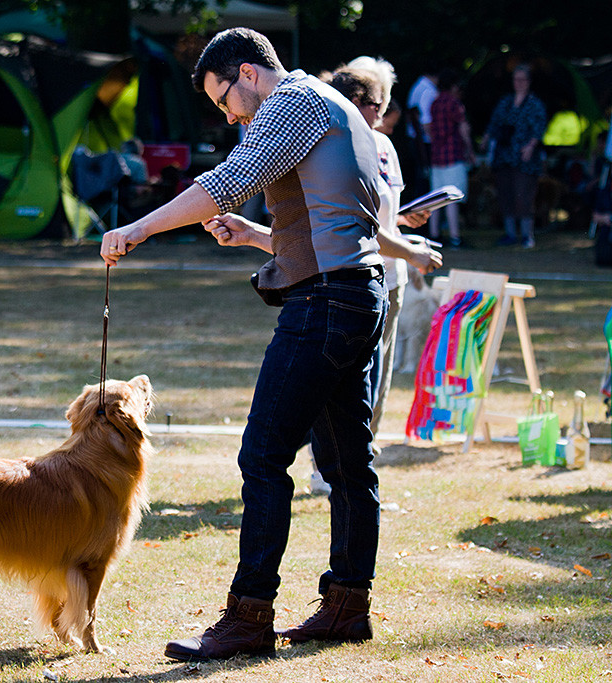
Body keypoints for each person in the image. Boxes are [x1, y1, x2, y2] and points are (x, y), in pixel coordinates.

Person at [100, 27, 392, 661]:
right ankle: (348, 605)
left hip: (325, 304)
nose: (230, 115)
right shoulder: (333, 105)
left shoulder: (293, 100)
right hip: (358, 293)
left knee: (262, 455)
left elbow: (231, 178)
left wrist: (138, 228)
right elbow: (333, 221)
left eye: (224, 99)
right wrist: (259, 235)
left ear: (249, 73)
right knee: (347, 462)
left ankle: (249, 616)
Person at [330, 60, 441, 456]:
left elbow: (384, 213)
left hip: (391, 278)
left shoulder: (384, 146)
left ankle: (361, 460)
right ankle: (330, 467)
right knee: (347, 381)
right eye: (376, 104)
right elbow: (358, 225)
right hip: (353, 275)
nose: (382, 113)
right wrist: (412, 251)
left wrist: (406, 220)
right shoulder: (337, 147)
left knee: (378, 383)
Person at [482, 65, 548, 248]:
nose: (518, 83)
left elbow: (539, 128)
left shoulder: (534, 104)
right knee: (506, 195)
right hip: (504, 157)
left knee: (524, 196)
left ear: (529, 82)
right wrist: (486, 139)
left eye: (522, 80)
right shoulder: (506, 102)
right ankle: (510, 233)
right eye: (516, 79)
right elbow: (494, 123)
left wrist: (530, 146)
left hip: (524, 159)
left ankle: (527, 235)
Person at [427, 68, 474, 248]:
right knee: (453, 198)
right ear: (453, 85)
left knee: (435, 199)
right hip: (453, 156)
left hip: (436, 157)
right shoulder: (454, 103)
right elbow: (463, 128)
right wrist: (470, 150)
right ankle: (455, 237)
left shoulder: (434, 103)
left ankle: (434, 236)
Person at [403, 70, 437, 198]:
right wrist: (434, 142)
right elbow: (425, 120)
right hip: (423, 141)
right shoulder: (428, 90)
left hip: (415, 138)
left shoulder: (417, 86)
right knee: (424, 179)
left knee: (421, 177)